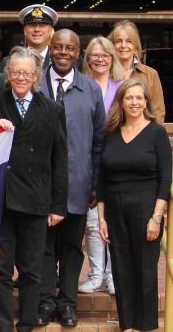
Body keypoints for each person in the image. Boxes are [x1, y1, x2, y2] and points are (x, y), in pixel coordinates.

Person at [0, 46, 67, 332]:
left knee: (31, 269)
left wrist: (57, 205)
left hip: (36, 199)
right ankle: (4, 325)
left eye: (26, 73)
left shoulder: (53, 110)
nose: (20, 78)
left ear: (36, 75)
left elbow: (60, 159)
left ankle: (27, 323)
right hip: (1, 199)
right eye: (15, 72)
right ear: (7, 74)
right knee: (1, 269)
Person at [36, 29, 105, 327]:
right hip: (40, 184)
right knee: (43, 247)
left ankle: (67, 303)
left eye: (70, 48)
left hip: (78, 183)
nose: (63, 53)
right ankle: (44, 300)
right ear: (50, 49)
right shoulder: (35, 84)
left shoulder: (90, 89)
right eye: (58, 47)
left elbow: (99, 141)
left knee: (72, 248)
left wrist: (96, 184)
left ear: (79, 53)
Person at [97, 79, 171, 332]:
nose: (135, 102)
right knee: (122, 269)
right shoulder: (111, 133)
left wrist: (156, 217)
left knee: (146, 272)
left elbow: (165, 178)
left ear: (146, 102)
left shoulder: (157, 133)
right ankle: (127, 325)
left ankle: (146, 326)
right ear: (121, 102)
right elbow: (102, 180)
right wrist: (101, 218)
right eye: (129, 98)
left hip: (145, 207)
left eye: (139, 98)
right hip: (115, 209)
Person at [78, 36, 125, 295]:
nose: (100, 59)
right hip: (89, 160)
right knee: (93, 222)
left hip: (116, 160)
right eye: (94, 55)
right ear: (87, 59)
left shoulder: (122, 86)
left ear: (112, 58)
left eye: (105, 54)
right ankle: (96, 274)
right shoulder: (81, 85)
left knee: (113, 221)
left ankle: (112, 274)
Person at [108, 20, 165, 123]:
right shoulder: (105, 74)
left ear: (135, 46)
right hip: (111, 135)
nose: (123, 45)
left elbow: (158, 113)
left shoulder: (151, 74)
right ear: (112, 45)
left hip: (145, 136)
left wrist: (151, 137)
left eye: (129, 41)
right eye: (118, 41)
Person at [2, 5, 58, 71]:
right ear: (25, 30)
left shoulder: (59, 60)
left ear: (51, 30)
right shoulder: (9, 61)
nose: (37, 29)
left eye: (42, 25)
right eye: (32, 25)